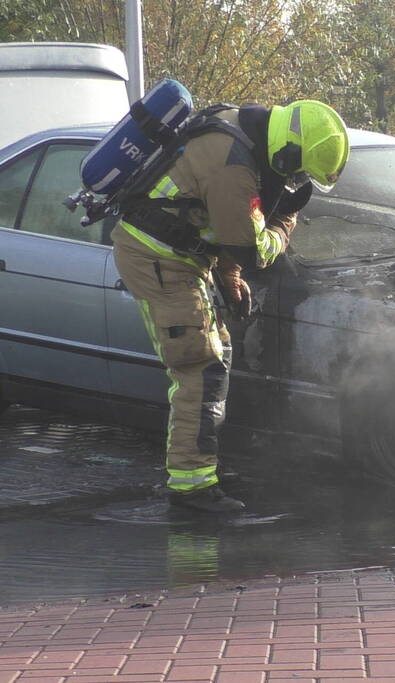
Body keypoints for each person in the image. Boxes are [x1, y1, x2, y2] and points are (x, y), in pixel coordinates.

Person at [111, 99, 349, 512]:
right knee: (198, 367)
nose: (293, 179)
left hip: (180, 254)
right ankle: (191, 489)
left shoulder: (242, 128)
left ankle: (198, 467)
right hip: (158, 259)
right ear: (288, 151)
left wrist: (228, 277)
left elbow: (211, 220)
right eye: (296, 170)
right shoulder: (235, 168)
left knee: (214, 359)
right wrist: (284, 222)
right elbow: (252, 248)